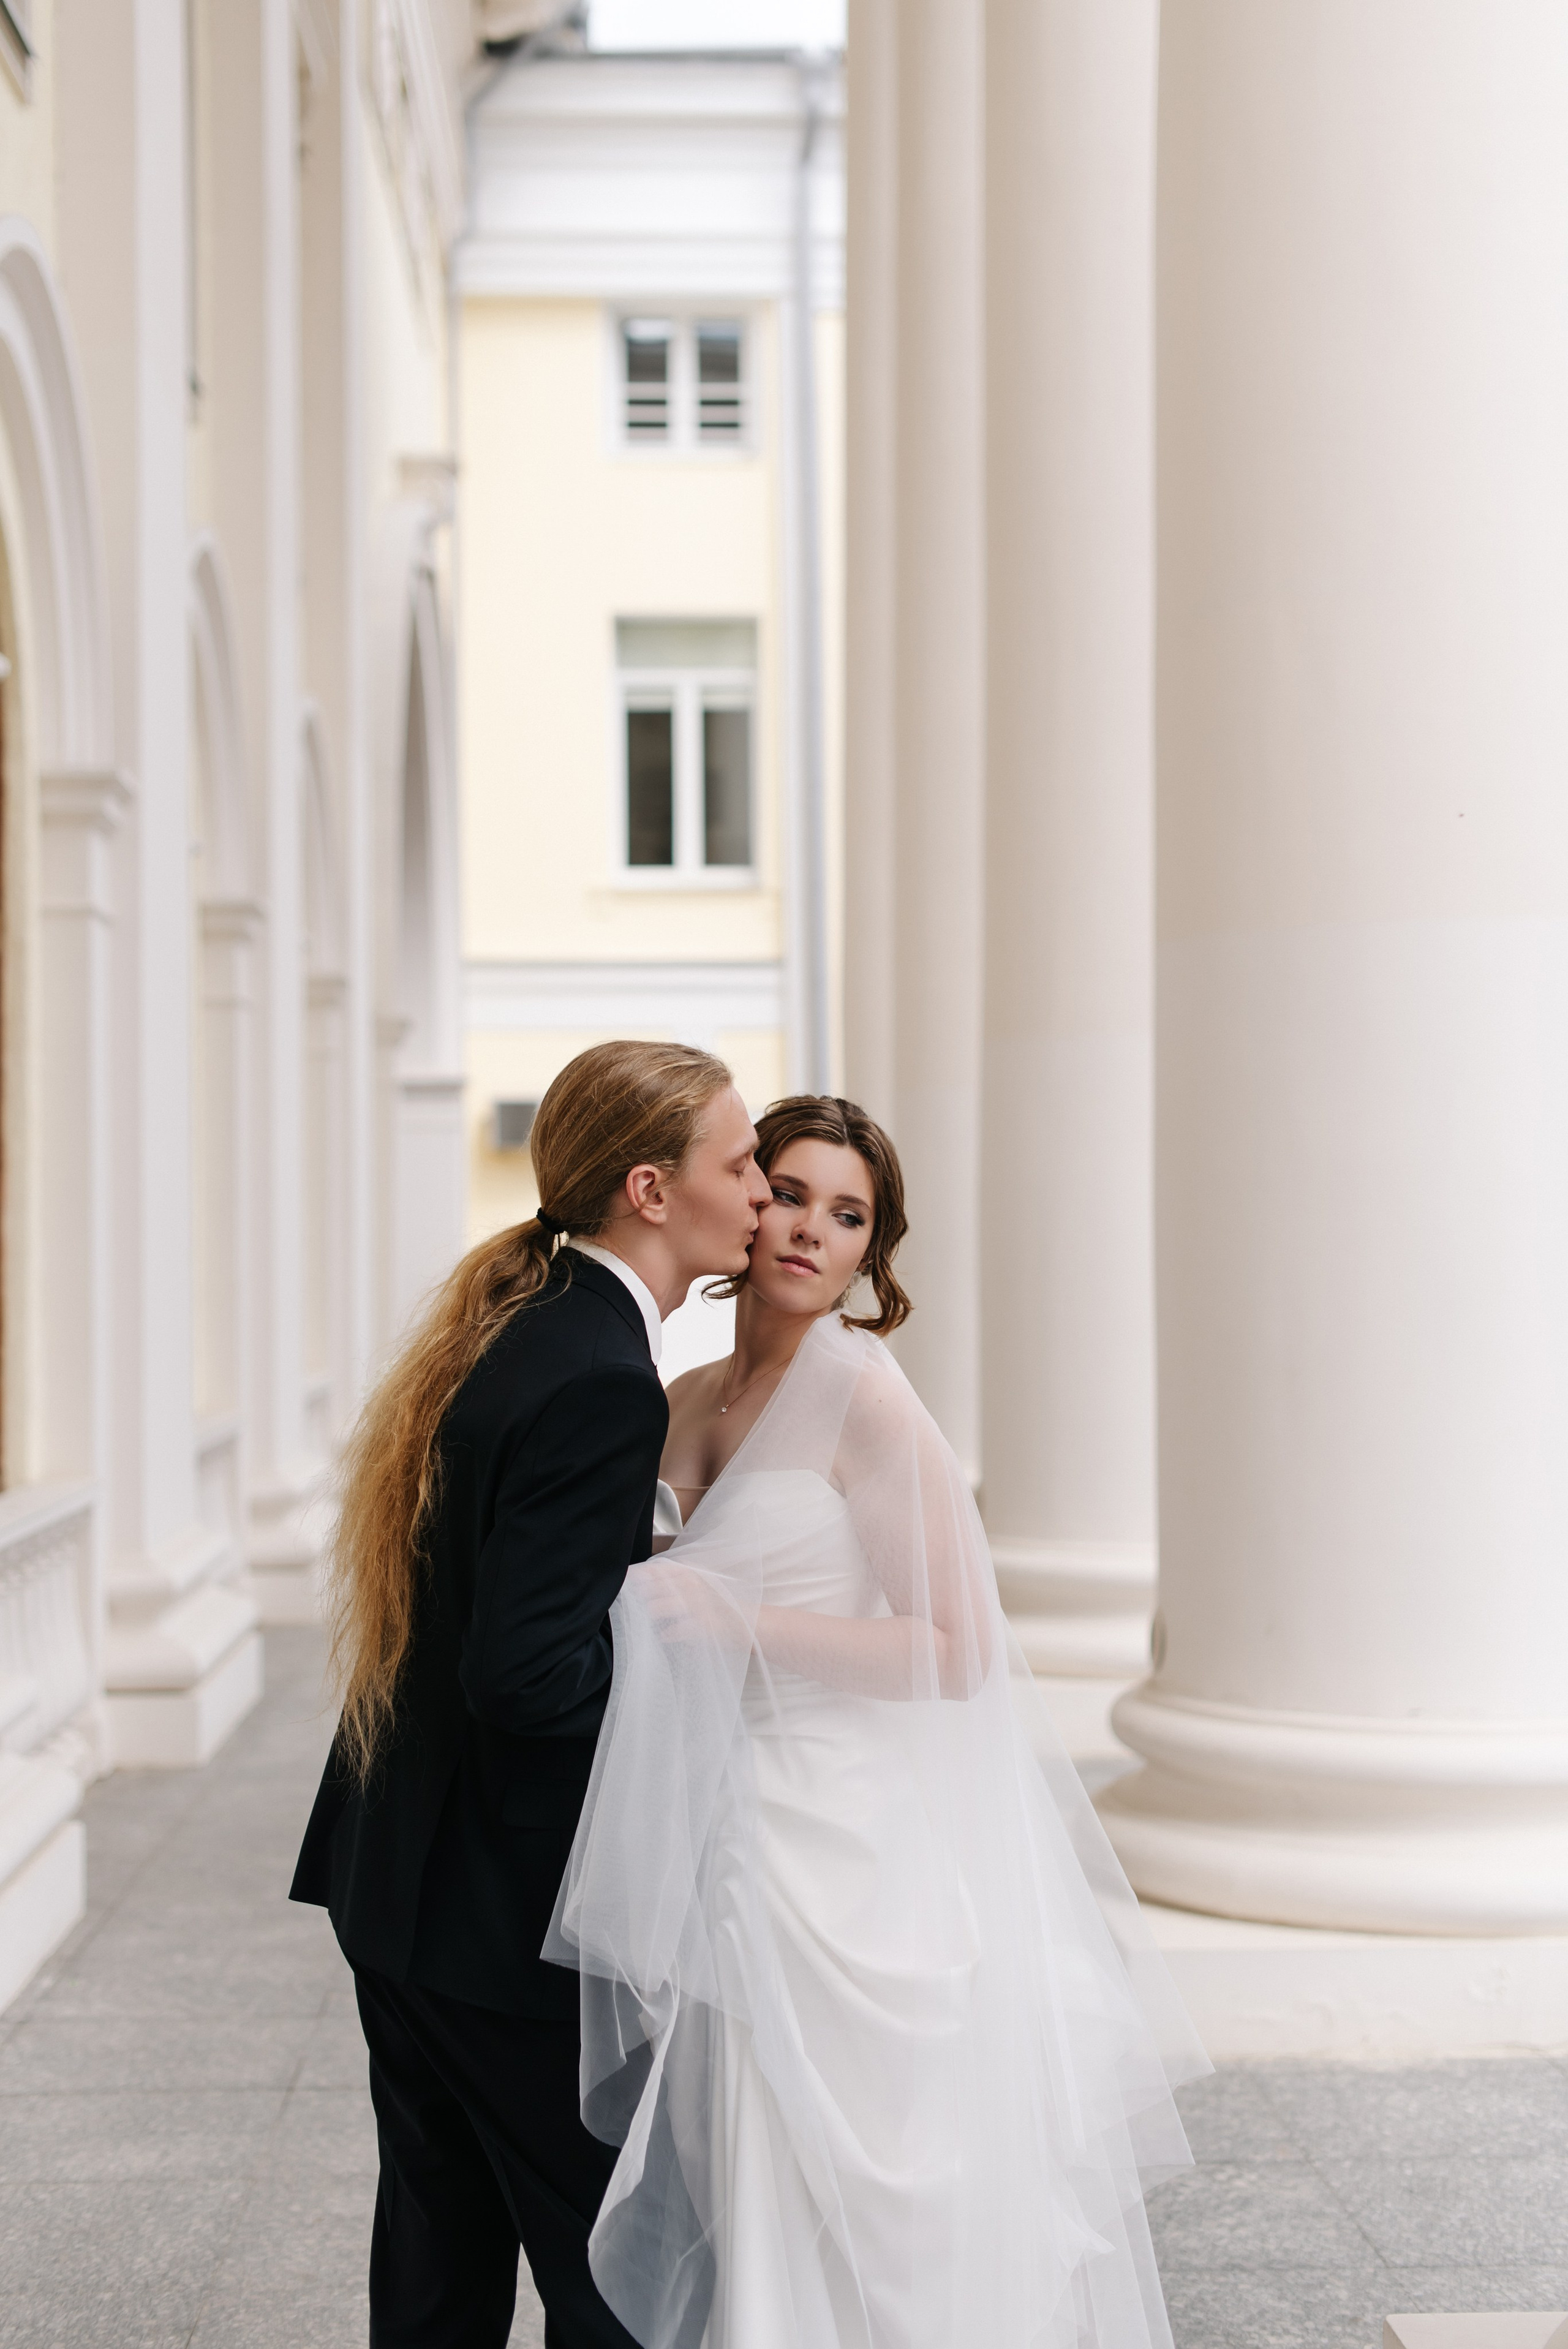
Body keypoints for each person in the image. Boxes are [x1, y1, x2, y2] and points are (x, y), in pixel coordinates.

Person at [546, 1095, 1211, 2349]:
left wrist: (738, 1623)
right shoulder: (677, 1399)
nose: (807, 1229)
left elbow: (954, 1652)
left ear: (868, 1254)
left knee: (877, 2204)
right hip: (720, 1841)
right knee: (743, 2177)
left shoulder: (864, 1401)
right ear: (745, 1206)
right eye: (788, 1192)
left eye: (845, 1216)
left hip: (845, 1854)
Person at [290, 1039, 772, 2349]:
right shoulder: (604, 1376)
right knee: (615, 2274)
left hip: (398, 1882)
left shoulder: (533, 1323)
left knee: (439, 2272)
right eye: (737, 1163)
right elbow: (528, 1674)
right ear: (649, 1191)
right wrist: (689, 1622)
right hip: (497, 1924)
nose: (763, 1190)